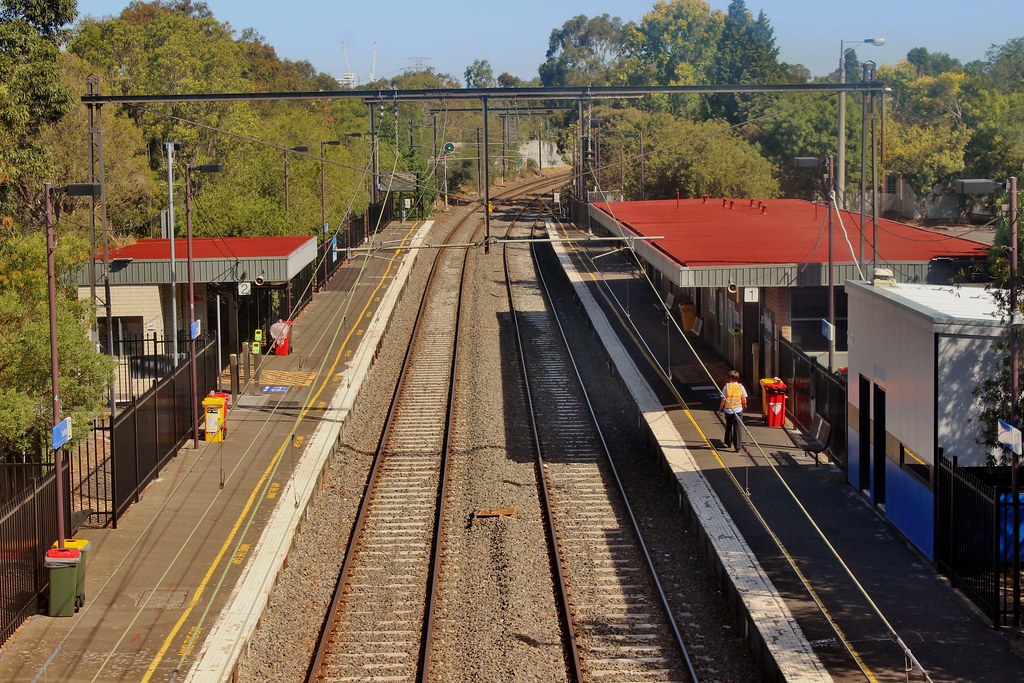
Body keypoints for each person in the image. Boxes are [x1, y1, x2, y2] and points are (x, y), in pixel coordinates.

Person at [719, 370, 748, 451]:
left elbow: (723, 400)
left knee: (728, 426)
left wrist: (720, 409)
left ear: (730, 378)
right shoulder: (741, 387)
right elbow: (744, 398)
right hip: (738, 410)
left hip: (728, 410)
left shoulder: (726, 387)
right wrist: (744, 405)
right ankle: (738, 447)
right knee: (738, 428)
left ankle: (728, 442)